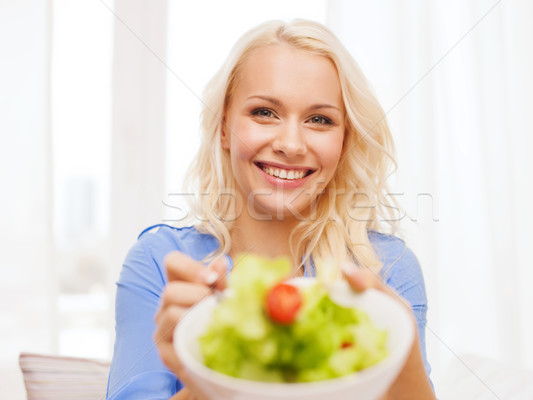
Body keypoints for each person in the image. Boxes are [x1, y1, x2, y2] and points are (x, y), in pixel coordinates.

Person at [106, 19, 435, 400]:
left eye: (319, 120)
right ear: (223, 127)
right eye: (264, 112)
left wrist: (403, 347)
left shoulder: (388, 269)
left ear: (344, 142)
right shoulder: (161, 263)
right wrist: (203, 378)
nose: (291, 144)